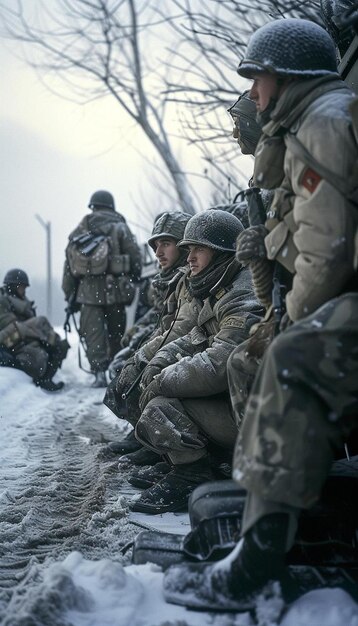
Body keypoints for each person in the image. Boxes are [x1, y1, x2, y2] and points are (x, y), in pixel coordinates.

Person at [163, 17, 358, 606]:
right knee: (261, 354)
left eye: (258, 78)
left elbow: (327, 255)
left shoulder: (324, 123)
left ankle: (258, 560)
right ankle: (279, 507)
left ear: (289, 75)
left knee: (292, 356)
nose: (251, 93)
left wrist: (292, 321)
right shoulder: (307, 128)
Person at [129, 209, 263, 514]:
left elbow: (218, 363)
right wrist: (157, 363)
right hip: (238, 404)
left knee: (160, 407)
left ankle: (193, 474)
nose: (189, 258)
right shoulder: (220, 288)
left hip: (258, 421)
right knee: (159, 393)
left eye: (198, 249)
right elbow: (193, 339)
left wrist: (162, 379)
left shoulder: (243, 294)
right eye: (188, 250)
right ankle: (198, 465)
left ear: (221, 252)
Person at [103, 210, 192, 456]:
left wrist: (144, 354)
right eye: (155, 245)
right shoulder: (166, 279)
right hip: (170, 342)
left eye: (166, 244)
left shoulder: (191, 279)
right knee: (125, 366)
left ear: (184, 246)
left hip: (184, 348)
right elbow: (157, 317)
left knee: (142, 373)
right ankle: (144, 432)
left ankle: (155, 440)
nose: (158, 252)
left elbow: (179, 326)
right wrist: (137, 335)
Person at [62, 190, 142, 387]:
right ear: (111, 206)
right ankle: (115, 370)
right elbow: (135, 257)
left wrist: (70, 294)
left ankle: (98, 372)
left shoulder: (81, 228)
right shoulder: (120, 227)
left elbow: (69, 265)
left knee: (92, 333)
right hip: (115, 290)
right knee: (116, 332)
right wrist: (134, 277)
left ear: (93, 206)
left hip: (87, 293)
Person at [0, 269, 69, 391]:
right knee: (38, 351)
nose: (24, 290)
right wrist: (39, 335)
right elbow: (11, 326)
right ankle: (41, 379)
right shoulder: (3, 301)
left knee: (60, 346)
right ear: (13, 286)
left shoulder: (24, 304)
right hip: (11, 341)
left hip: (24, 339)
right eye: (21, 287)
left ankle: (46, 379)